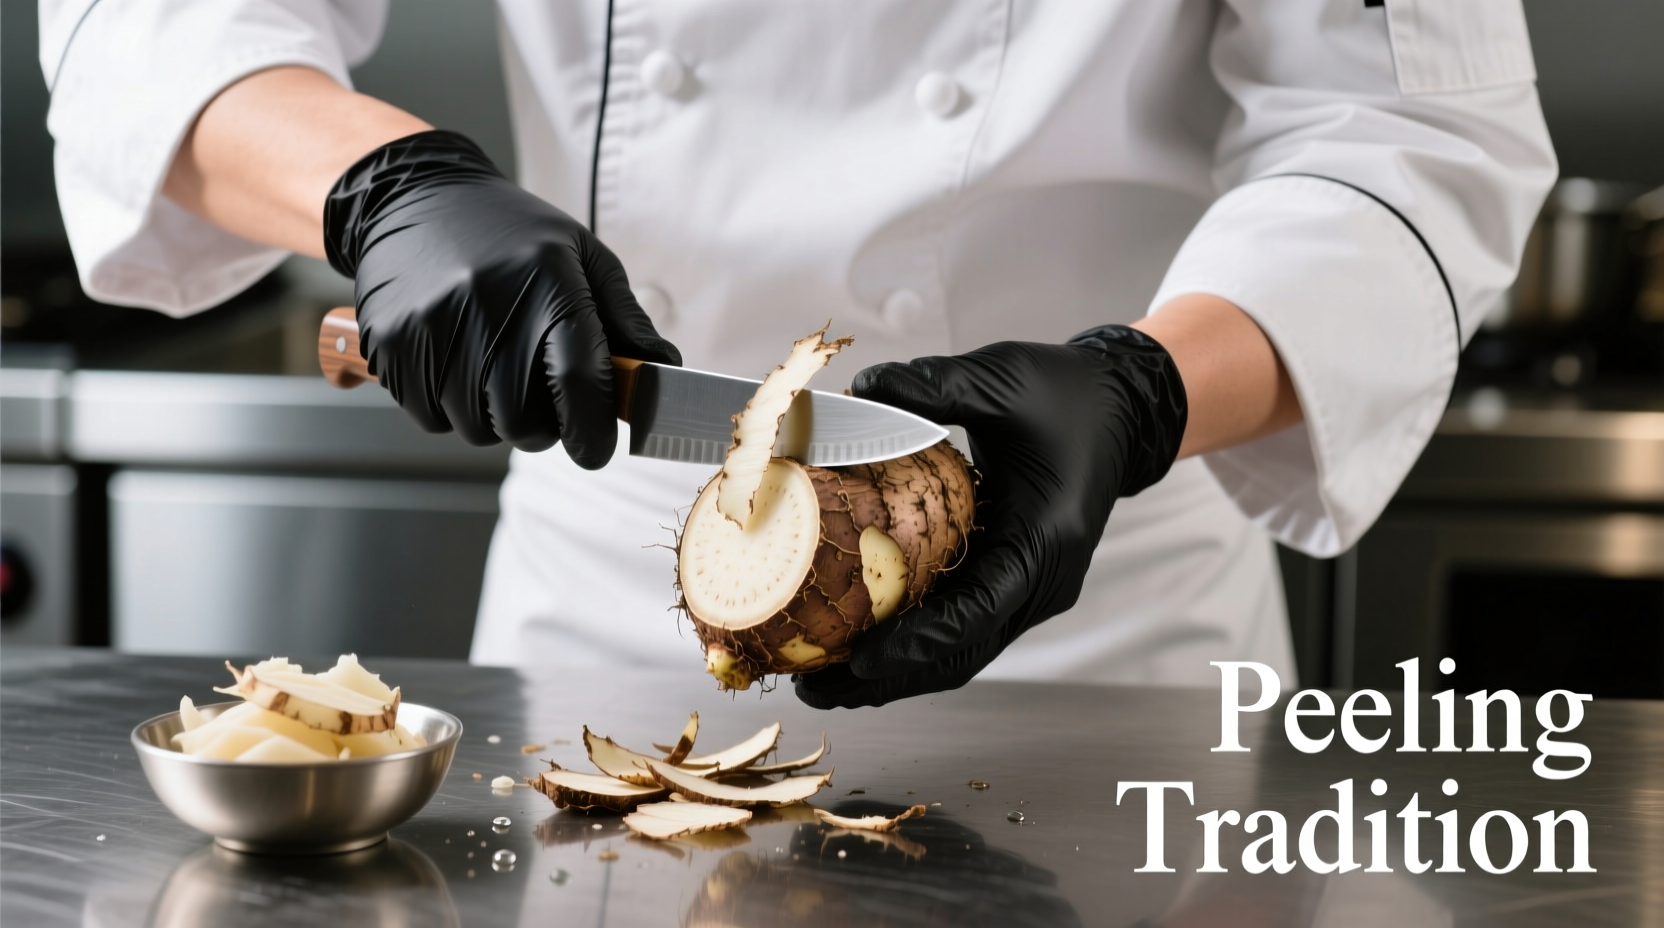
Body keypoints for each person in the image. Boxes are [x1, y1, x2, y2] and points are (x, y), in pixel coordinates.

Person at [42, 2, 1554, 708]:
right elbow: (148, 23)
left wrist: (1144, 392)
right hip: (612, 620)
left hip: (1099, 601)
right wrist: (388, 186)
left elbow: (1416, 124)